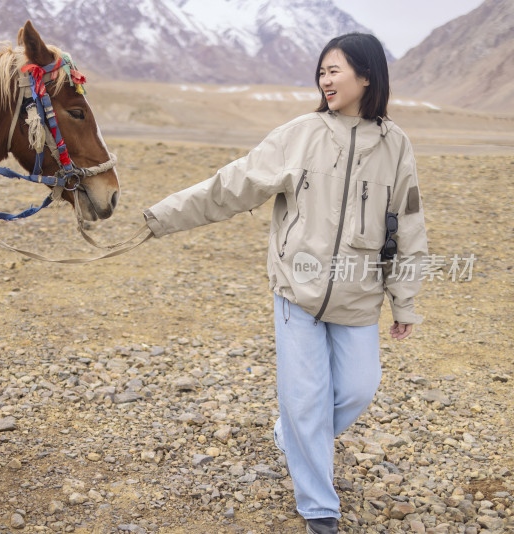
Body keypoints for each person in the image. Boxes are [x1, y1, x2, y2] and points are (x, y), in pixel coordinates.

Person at [143, 33, 428, 534]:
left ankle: (292, 435)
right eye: (321, 71)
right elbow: (232, 184)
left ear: (367, 76)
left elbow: (408, 226)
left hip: (359, 294)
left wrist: (403, 301)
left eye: (335, 69)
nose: (325, 78)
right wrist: (161, 217)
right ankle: (319, 506)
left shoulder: (396, 144)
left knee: (359, 388)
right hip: (297, 291)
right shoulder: (300, 134)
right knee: (305, 396)